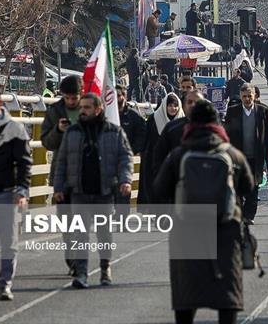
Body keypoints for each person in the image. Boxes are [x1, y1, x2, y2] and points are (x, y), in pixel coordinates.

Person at [153, 100, 254, 324]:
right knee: (226, 291)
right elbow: (249, 186)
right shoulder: (231, 153)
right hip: (225, 228)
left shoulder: (179, 154)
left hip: (187, 228)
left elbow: (159, 188)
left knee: (186, 292)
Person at [53, 92, 134, 289]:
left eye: (87, 107)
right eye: (81, 107)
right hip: (79, 191)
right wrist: (58, 187)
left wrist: (125, 180)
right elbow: (62, 161)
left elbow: (125, 157)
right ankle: (81, 273)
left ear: (98, 109)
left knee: (103, 233)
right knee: (80, 234)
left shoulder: (113, 132)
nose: (82, 111)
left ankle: (105, 268)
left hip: (104, 192)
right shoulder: (73, 132)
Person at [0, 84, 32, 301]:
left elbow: (24, 162)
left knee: (9, 242)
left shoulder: (13, 128)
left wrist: (22, 190)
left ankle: (4, 284)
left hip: (6, 193)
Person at [40, 75, 83, 275]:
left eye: (75, 98)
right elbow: (46, 142)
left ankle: (80, 262)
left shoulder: (89, 108)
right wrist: (58, 130)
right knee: (66, 220)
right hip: (63, 172)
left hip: (86, 172)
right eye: (68, 98)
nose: (72, 102)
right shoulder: (55, 111)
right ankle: (72, 259)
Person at [224, 83, 268, 224]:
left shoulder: (263, 110)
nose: (247, 99)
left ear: (254, 96)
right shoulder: (233, 111)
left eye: (249, 96)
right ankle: (239, 213)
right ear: (240, 96)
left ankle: (249, 215)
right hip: (238, 157)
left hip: (255, 156)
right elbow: (226, 134)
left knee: (253, 187)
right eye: (244, 96)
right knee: (237, 186)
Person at [138, 92, 184, 206]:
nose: (173, 108)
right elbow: (146, 140)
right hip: (155, 163)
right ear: (164, 106)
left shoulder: (183, 121)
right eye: (170, 105)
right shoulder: (154, 119)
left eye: (175, 105)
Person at [152, 90, 204, 176]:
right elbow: (158, 156)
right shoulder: (171, 128)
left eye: (197, 102)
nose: (193, 105)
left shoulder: (211, 126)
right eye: (190, 102)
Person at [116, 84, 146, 155]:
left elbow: (142, 134)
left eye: (118, 95)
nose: (116, 98)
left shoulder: (134, 116)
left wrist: (132, 150)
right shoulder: (105, 115)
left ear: (124, 96)